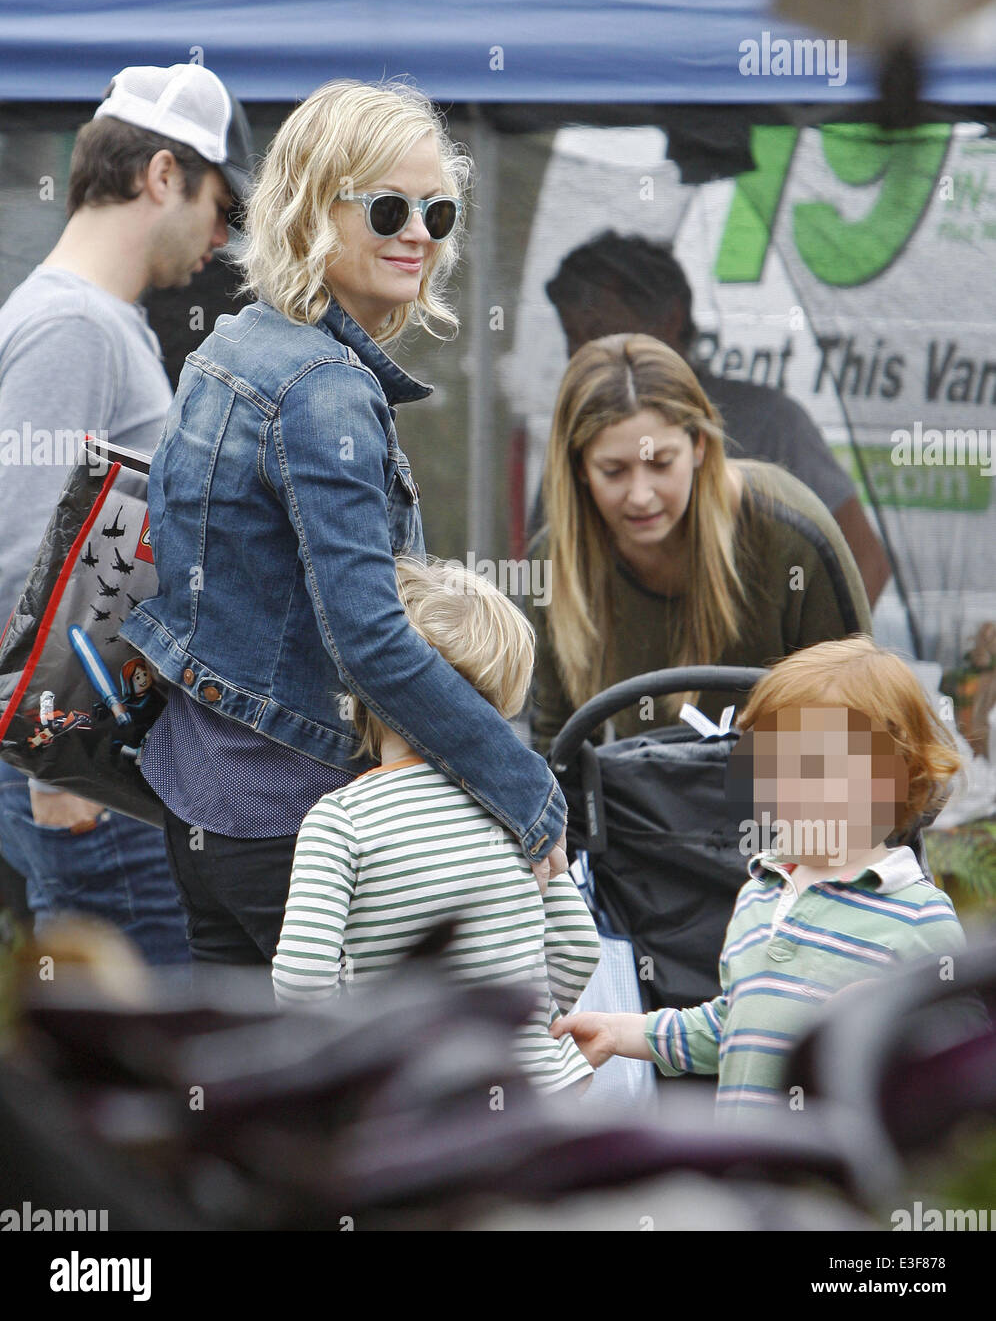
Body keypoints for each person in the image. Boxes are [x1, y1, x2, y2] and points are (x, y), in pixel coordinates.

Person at [121, 79, 569, 969]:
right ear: (306, 210)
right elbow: (369, 638)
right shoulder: (321, 386)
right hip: (300, 824)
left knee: (250, 1100)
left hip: (201, 800)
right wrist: (526, 788)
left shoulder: (229, 349)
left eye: (438, 214)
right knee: (370, 1103)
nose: (419, 235)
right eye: (390, 207)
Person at [0, 62, 251, 964]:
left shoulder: (93, 322)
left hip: (89, 766)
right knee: (142, 1071)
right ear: (161, 176)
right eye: (223, 206)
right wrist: (59, 752)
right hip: (82, 776)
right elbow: (24, 554)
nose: (222, 240)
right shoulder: (77, 328)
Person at [552, 636, 968, 1118]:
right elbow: (731, 1025)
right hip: (750, 1166)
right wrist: (621, 1032)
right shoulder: (759, 893)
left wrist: (893, 1028)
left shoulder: (918, 916)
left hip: (838, 1182)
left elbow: (963, 1058)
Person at [273, 557, 600, 1094]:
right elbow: (578, 947)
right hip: (541, 1090)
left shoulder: (340, 821)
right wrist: (534, 1026)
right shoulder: (518, 807)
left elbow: (301, 980)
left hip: (418, 1101)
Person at [528, 333, 872, 755]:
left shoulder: (793, 535)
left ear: (699, 445)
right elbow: (557, 749)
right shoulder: (555, 563)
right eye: (613, 471)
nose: (640, 495)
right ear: (579, 467)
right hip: (646, 812)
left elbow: (861, 721)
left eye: (660, 464)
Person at [539, 230, 891, 608]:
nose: (581, 354)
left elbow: (865, 562)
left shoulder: (770, 424)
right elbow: (544, 572)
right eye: (571, 337)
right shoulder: (578, 434)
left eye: (598, 332)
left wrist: (809, 663)